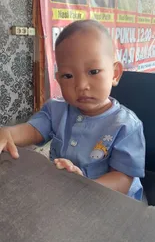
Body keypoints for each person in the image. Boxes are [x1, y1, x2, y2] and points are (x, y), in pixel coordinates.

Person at [0, 20, 145, 200]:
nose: (81, 85)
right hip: (65, 191)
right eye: (68, 76)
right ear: (58, 79)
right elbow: (33, 130)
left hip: (111, 203)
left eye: (93, 72)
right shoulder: (56, 109)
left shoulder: (126, 126)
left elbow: (123, 179)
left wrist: (84, 186)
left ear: (115, 73)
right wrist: (7, 134)